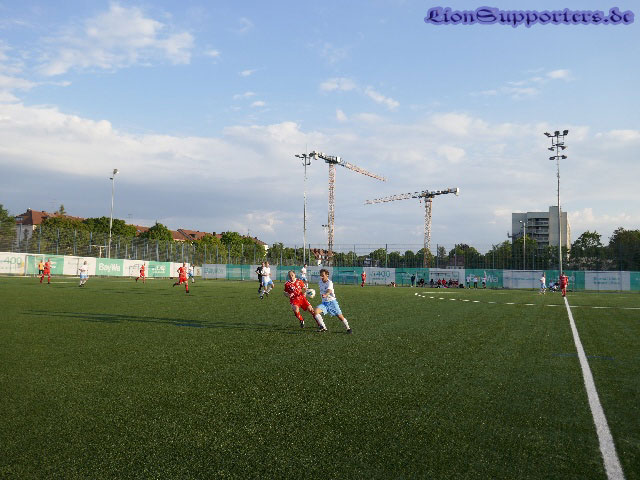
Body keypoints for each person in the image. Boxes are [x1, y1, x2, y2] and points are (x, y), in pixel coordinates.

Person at [315, 269, 352, 333]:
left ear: (327, 275)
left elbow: (329, 290)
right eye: (320, 275)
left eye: (323, 275)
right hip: (324, 303)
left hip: (332, 302)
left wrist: (326, 294)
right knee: (316, 311)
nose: (321, 277)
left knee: (340, 316)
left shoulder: (329, 282)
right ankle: (323, 327)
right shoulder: (320, 282)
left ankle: (348, 328)